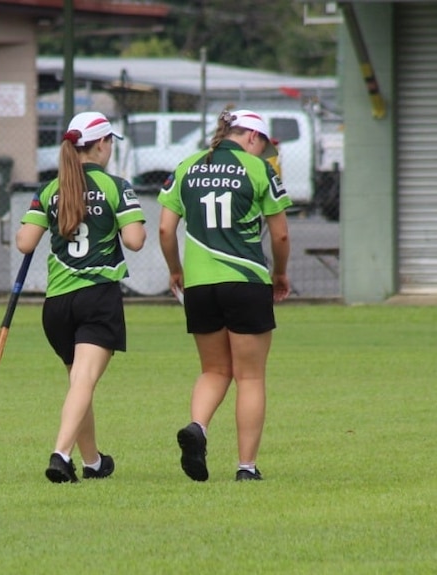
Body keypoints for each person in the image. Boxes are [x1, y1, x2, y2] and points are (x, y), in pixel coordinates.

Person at [157, 108, 291, 482]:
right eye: (263, 145)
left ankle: (197, 427)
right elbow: (279, 235)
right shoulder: (258, 170)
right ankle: (246, 468)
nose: (263, 152)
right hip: (246, 282)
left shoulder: (185, 166)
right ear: (251, 137)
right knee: (249, 378)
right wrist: (279, 273)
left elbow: (166, 231)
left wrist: (175, 270)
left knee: (214, 370)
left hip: (200, 286)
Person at [16, 111, 146, 483]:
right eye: (109, 144)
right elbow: (135, 241)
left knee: (79, 383)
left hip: (56, 304)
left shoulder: (50, 189)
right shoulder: (116, 187)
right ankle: (60, 454)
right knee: (84, 381)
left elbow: (25, 242)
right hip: (97, 298)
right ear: (102, 144)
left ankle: (93, 463)